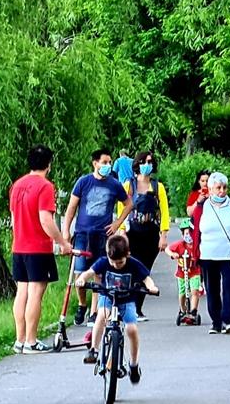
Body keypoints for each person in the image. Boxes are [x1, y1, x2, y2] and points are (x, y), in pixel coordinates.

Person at [9, 145, 73, 354]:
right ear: (49, 165)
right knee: (36, 293)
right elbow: (46, 219)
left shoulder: (17, 185)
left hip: (19, 246)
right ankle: (32, 341)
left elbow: (13, 218)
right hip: (37, 247)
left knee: (22, 292)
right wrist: (63, 242)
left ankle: (19, 340)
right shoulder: (45, 186)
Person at [62, 148, 132, 327]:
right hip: (82, 233)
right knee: (79, 273)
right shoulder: (83, 182)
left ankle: (94, 312)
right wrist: (66, 232)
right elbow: (71, 207)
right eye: (105, 162)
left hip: (103, 235)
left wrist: (117, 223)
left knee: (98, 273)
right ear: (95, 163)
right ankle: (81, 304)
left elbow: (128, 203)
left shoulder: (114, 184)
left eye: (110, 162)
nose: (108, 165)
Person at [76, 235, 159, 385]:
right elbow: (89, 272)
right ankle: (94, 350)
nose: (115, 265)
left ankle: (133, 364)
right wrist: (82, 279)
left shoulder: (134, 264)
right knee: (101, 315)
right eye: (112, 262)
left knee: (132, 329)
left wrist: (151, 287)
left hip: (127, 301)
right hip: (108, 297)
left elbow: (147, 278)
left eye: (120, 262)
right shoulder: (103, 262)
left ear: (127, 254)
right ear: (108, 255)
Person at [117, 151, 170, 321]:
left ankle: (137, 308)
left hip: (151, 233)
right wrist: (122, 231)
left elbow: (164, 212)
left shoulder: (157, 186)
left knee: (144, 271)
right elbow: (122, 209)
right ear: (138, 164)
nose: (148, 164)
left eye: (150, 162)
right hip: (133, 232)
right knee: (131, 269)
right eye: (145, 161)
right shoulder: (128, 186)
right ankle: (127, 306)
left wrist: (163, 235)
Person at [192, 172, 230, 334]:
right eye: (218, 188)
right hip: (208, 254)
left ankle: (227, 320)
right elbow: (196, 233)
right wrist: (195, 254)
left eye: (224, 187)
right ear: (210, 189)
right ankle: (216, 321)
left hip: (229, 254)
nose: (222, 191)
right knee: (212, 288)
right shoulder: (201, 208)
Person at [166, 219, 203, 323]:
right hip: (182, 273)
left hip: (194, 272)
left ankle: (193, 311)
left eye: (191, 233)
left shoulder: (197, 246)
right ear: (183, 234)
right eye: (186, 233)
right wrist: (173, 254)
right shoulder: (180, 245)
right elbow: (167, 249)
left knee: (195, 291)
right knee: (182, 293)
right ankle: (183, 310)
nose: (189, 236)